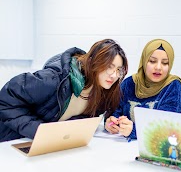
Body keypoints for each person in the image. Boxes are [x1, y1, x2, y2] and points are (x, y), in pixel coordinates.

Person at [0, 39, 133, 142]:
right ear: (93, 62)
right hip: (12, 141)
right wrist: (39, 130)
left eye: (119, 70)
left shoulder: (102, 91)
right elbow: (6, 99)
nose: (114, 75)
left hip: (45, 146)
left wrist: (109, 122)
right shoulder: (53, 79)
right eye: (109, 67)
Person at [105, 39, 181, 140]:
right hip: (123, 146)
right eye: (152, 61)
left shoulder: (173, 86)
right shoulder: (129, 83)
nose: (158, 67)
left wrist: (133, 130)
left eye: (165, 63)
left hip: (155, 150)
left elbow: (166, 128)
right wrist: (111, 123)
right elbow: (114, 111)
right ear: (144, 61)